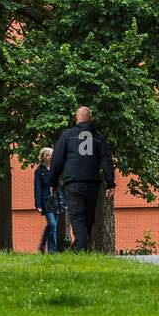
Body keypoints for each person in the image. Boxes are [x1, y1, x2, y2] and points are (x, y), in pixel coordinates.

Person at [48, 106, 116, 252]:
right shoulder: (98, 137)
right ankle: (81, 249)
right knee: (88, 219)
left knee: (77, 218)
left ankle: (80, 248)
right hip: (92, 184)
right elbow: (106, 160)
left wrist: (53, 182)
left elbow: (57, 160)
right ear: (91, 118)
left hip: (73, 183)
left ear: (77, 118)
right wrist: (110, 183)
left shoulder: (67, 135)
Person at [33, 147, 62, 253]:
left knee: (53, 229)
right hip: (46, 201)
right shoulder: (39, 171)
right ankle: (42, 244)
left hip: (57, 201)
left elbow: (60, 186)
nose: (50, 157)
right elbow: (37, 188)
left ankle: (52, 252)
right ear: (43, 157)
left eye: (51, 155)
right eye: (47, 155)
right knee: (52, 224)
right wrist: (38, 204)